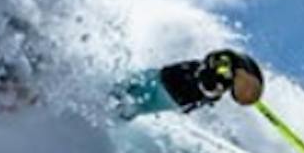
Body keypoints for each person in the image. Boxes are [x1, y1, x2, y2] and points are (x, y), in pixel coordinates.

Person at [111, 48, 264, 120]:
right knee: (129, 92)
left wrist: (211, 86)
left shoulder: (219, 85)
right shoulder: (219, 68)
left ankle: (113, 112)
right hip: (166, 83)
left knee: (133, 105)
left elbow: (210, 89)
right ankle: (112, 99)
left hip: (171, 92)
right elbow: (214, 61)